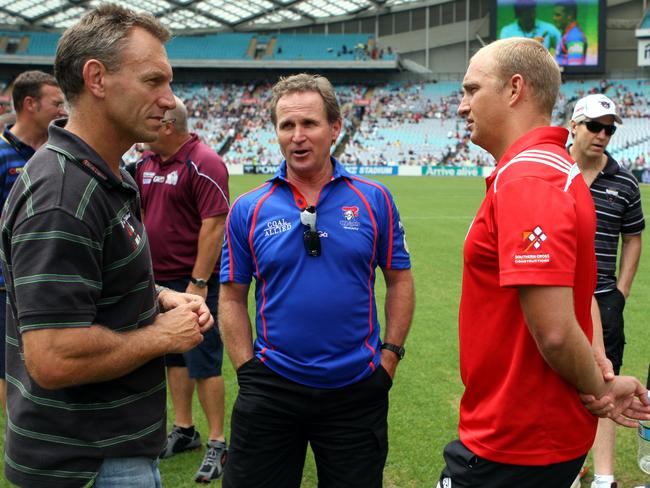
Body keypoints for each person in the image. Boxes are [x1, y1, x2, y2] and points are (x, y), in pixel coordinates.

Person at [0, 5, 214, 488]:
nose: (169, 99)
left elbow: (93, 286)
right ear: (96, 78)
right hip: (84, 464)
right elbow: (52, 356)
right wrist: (162, 334)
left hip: (113, 449)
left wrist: (160, 296)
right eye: (154, 81)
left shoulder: (107, 173)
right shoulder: (62, 194)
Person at [439, 37, 650, 487]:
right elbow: (581, 286)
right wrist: (598, 362)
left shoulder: (529, 178)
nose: (462, 106)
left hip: (514, 438)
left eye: (472, 89)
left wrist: (600, 385)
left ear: (514, 89)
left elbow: (554, 332)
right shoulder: (558, 168)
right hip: (534, 433)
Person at [219, 73, 415, 488]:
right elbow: (232, 295)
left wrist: (390, 356)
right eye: (287, 125)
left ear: (335, 128)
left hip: (356, 389)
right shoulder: (249, 208)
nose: (298, 136)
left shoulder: (373, 199)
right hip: (271, 388)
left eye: (309, 124)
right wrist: (246, 371)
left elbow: (399, 280)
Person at [135, 95, 230, 482]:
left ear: (168, 125)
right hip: (158, 284)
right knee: (172, 358)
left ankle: (218, 442)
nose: (145, 125)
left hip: (194, 282)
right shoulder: (144, 163)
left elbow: (214, 225)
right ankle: (185, 431)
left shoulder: (204, 162)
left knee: (204, 361)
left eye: (153, 119)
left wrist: (199, 283)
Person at [568, 94, 645, 488]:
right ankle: (565, 468)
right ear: (574, 126)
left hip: (604, 298)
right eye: (595, 126)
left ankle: (603, 477)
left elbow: (634, 236)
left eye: (609, 129)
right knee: (557, 380)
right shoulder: (555, 171)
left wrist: (621, 289)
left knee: (606, 381)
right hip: (558, 296)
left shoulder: (624, 180)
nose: (602, 135)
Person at [0, 70, 66, 413]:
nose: (62, 110)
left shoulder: (54, 153)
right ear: (30, 104)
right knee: (10, 368)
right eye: (56, 103)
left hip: (51, 282)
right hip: (7, 287)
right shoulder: (1, 154)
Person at [553, 0, 588, 65]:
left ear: (570, 15)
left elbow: (575, 66)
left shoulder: (574, 36)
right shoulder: (567, 33)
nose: (554, 18)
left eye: (558, 15)